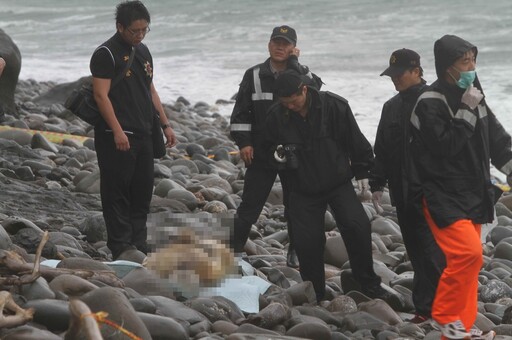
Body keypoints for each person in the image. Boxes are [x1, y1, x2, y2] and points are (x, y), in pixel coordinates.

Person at [409, 34, 512, 339]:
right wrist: (466, 109)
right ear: (446, 66)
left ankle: (458, 333)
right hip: (440, 194)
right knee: (469, 255)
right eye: (463, 61)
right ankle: (444, 317)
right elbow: (445, 147)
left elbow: (497, 139)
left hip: (475, 192)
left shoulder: (474, 94)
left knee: (465, 265)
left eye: (473, 59)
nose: (470, 66)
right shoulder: (429, 101)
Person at [265, 69, 392, 302]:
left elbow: (356, 140)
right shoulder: (276, 115)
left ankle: (368, 283)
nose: (290, 107)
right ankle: (316, 292)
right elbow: (268, 150)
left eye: (293, 101)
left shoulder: (334, 106)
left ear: (303, 89)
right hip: (301, 189)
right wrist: (277, 156)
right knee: (307, 242)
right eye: (285, 103)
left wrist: (364, 171)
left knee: (357, 226)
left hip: (338, 182)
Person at [90, 0, 177, 260]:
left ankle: (137, 244)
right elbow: (100, 95)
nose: (139, 36)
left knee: (142, 191)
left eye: (144, 30)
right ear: (120, 27)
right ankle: (119, 245)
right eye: (134, 31)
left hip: (144, 132)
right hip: (115, 135)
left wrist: (165, 124)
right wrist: (116, 130)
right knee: (116, 191)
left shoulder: (144, 51)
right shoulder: (105, 53)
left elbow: (150, 90)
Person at [229, 25, 321, 268]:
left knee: (296, 204)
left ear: (294, 49)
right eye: (276, 42)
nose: (280, 47)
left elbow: (317, 94)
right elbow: (240, 112)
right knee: (250, 204)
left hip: (294, 151)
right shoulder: (254, 74)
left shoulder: (301, 72)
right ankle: (233, 250)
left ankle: (296, 251)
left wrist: (295, 65)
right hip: (262, 151)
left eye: (286, 44)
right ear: (269, 44)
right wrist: (245, 143)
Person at [370, 48, 445, 323]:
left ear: (416, 71)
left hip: (433, 193)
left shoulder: (436, 101)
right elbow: (382, 150)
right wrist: (377, 182)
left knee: (434, 252)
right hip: (403, 194)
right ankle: (425, 310)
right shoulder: (391, 107)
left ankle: (444, 308)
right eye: (391, 75)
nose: (395, 79)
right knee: (416, 251)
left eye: (399, 74)